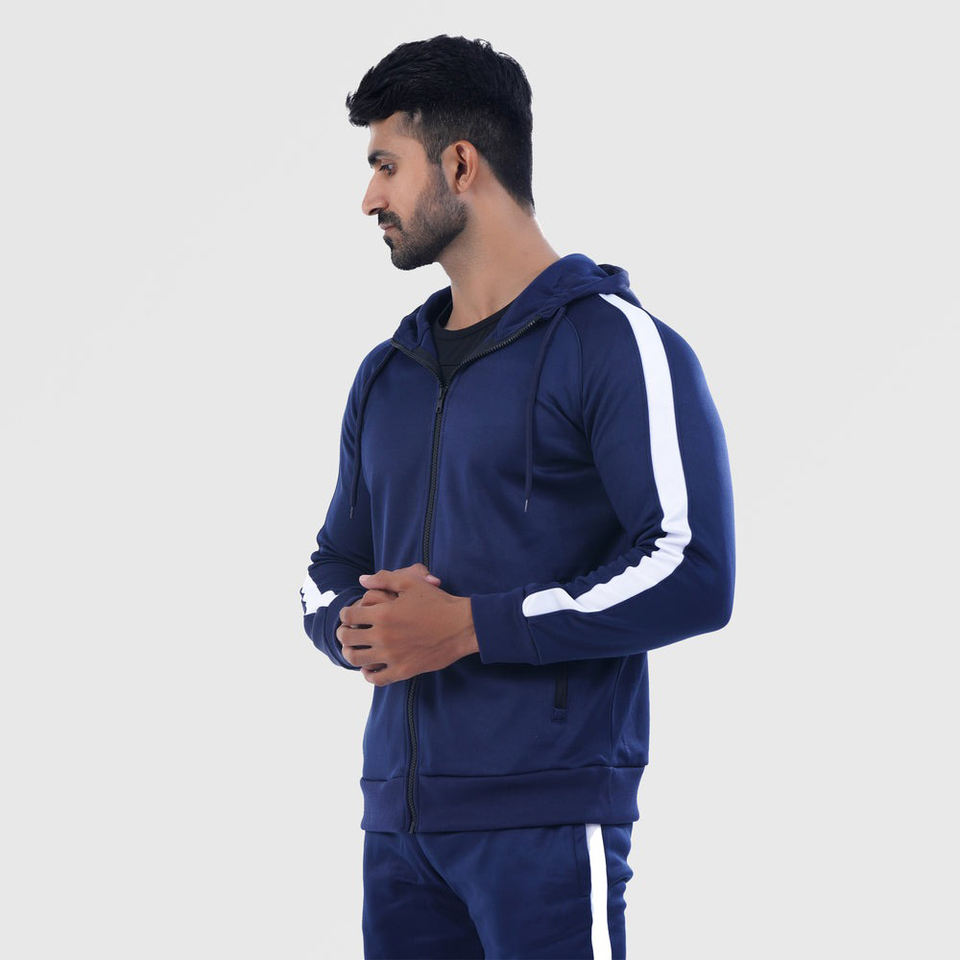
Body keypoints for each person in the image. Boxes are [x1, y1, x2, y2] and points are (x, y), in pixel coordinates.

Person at [299, 34, 736, 960]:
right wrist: (356, 627)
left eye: (386, 165)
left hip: (546, 822)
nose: (369, 198)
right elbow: (328, 561)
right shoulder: (387, 374)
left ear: (461, 164)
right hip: (399, 831)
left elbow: (693, 569)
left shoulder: (611, 345)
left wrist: (469, 626)